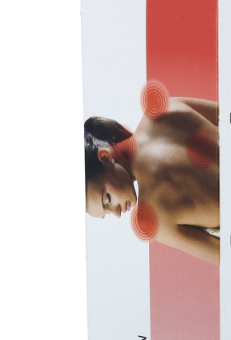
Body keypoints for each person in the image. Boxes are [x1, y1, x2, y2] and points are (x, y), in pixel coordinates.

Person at [84, 96, 220, 265]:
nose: (117, 213)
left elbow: (230, 258)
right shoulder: (162, 109)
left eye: (108, 199)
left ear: (105, 157)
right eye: (109, 214)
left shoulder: (153, 218)